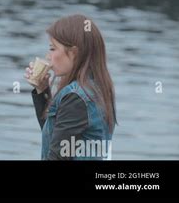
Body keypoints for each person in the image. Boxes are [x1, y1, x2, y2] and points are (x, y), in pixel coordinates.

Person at [25, 14, 117, 160]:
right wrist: (42, 90)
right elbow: (56, 137)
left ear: (74, 53)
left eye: (53, 48)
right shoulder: (99, 89)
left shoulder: (76, 97)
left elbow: (56, 156)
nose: (48, 56)